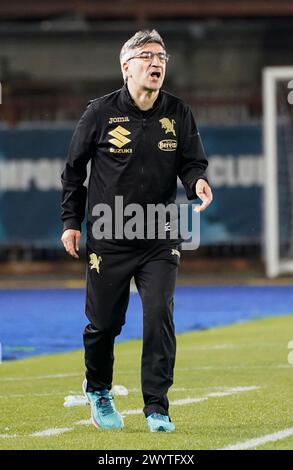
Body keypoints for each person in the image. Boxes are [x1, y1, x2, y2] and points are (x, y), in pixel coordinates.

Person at [61, 29, 213, 432]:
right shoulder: (99, 113)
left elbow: (192, 162)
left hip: (161, 234)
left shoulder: (178, 112)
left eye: (162, 55)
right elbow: (73, 173)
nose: (156, 61)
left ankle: (157, 407)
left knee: (160, 314)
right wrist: (70, 222)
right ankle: (98, 389)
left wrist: (196, 181)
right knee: (104, 324)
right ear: (126, 66)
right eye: (146, 55)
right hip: (109, 234)